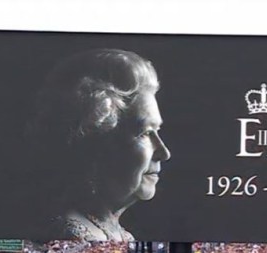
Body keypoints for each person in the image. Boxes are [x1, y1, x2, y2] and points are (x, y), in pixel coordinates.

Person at [28, 48, 172, 241]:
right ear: (98, 143)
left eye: (158, 131)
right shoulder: (73, 235)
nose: (164, 152)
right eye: (145, 133)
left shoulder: (119, 234)